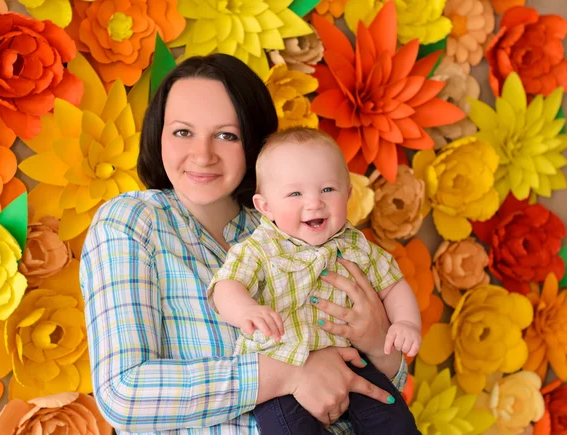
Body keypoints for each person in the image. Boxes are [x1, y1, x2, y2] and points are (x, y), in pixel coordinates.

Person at [80, 53, 410, 435]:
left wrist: (376, 342)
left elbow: (382, 390)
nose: (202, 154)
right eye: (182, 132)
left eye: (226, 135)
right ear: (158, 136)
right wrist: (290, 373)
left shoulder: (290, 224)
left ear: (254, 143)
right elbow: (125, 394)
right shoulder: (133, 222)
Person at [207, 128, 421, 434]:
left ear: (348, 193)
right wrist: (246, 311)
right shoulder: (259, 249)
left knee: (393, 418)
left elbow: (394, 285)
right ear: (265, 206)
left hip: (351, 361)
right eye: (295, 194)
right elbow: (226, 287)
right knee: (289, 428)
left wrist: (406, 323)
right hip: (281, 368)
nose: (315, 203)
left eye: (328, 190)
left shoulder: (355, 246)